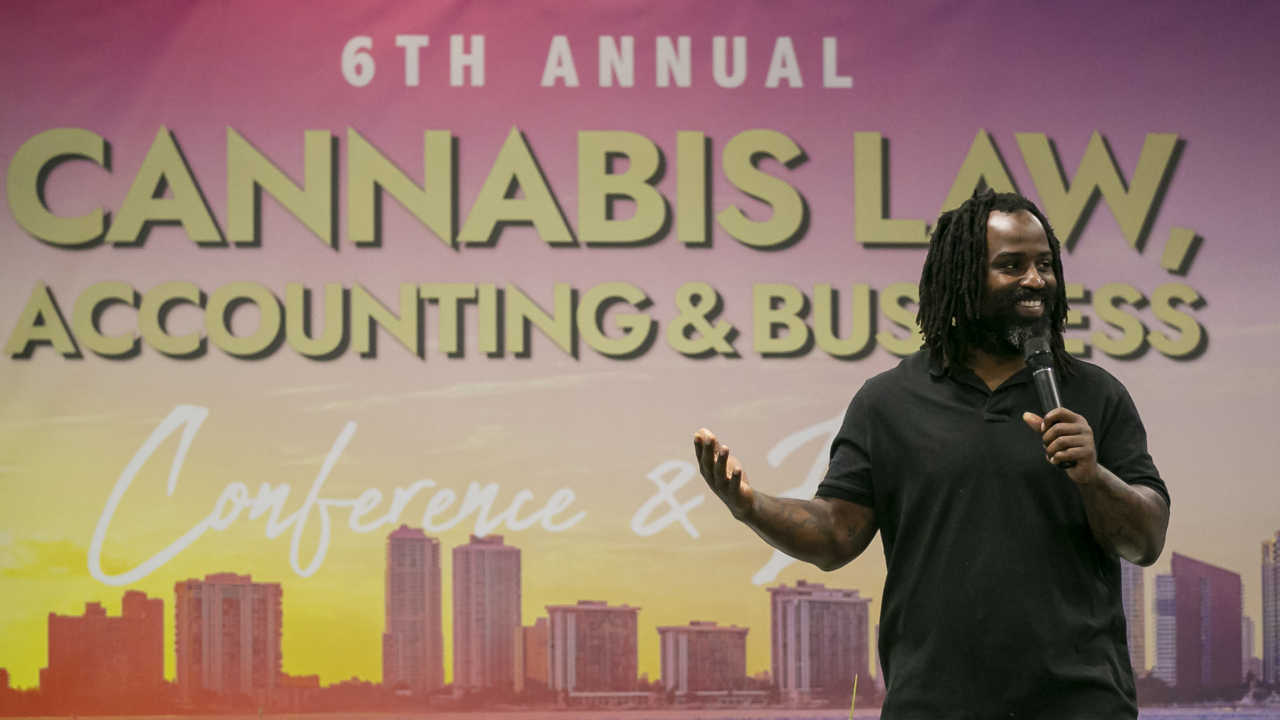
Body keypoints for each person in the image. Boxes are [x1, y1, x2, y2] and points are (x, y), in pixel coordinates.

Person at [694, 190, 1170, 718]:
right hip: (932, 705)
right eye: (1011, 265)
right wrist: (751, 506)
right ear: (964, 278)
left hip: (1082, 705)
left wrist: (1093, 476)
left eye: (1045, 264)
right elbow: (835, 535)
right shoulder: (888, 402)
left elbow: (1144, 541)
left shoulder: (1097, 395)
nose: (1036, 280)